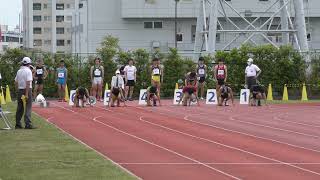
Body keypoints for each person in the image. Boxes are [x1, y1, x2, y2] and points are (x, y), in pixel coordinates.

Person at [15, 57, 35, 129]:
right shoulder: (28, 71)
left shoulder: (19, 71)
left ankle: (18, 124)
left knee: (20, 107)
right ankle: (28, 124)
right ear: (29, 64)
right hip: (27, 89)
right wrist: (26, 93)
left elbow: (16, 82)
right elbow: (28, 82)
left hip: (20, 90)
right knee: (28, 106)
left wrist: (17, 90)